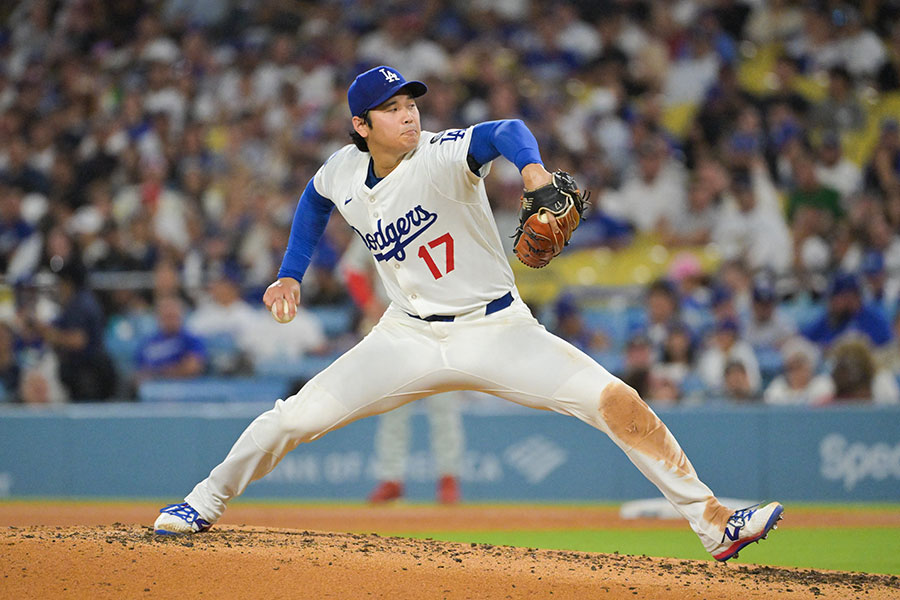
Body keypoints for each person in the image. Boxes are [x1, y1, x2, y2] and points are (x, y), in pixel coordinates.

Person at [153, 65, 782, 562]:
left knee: (616, 400)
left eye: (411, 103)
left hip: (497, 329)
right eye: (392, 108)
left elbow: (505, 129)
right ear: (360, 125)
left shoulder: (441, 153)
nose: (408, 114)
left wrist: (532, 172)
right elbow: (314, 201)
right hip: (405, 337)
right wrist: (291, 272)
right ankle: (201, 501)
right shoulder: (343, 170)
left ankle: (714, 523)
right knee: (292, 418)